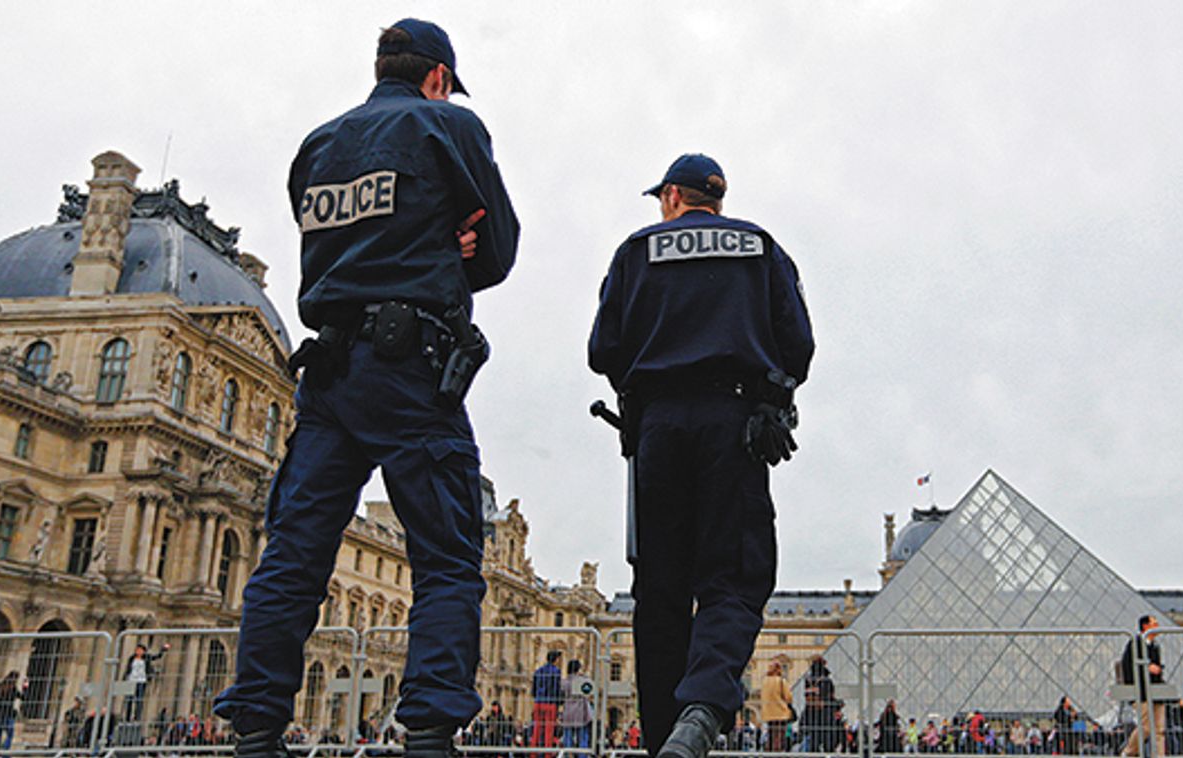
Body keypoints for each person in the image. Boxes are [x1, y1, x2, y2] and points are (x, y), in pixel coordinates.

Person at [212, 17, 518, 758]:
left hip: (328, 371)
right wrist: (448, 248)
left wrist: (417, 242)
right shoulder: (449, 125)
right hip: (413, 370)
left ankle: (254, 727)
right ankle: (430, 730)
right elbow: (498, 252)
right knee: (447, 557)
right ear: (438, 77)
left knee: (292, 553)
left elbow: (333, 248)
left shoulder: (318, 144)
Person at [589, 153, 814, 758]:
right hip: (734, 422)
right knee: (733, 578)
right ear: (717, 199)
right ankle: (704, 708)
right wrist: (769, 393)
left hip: (658, 427)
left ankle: (665, 738)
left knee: (659, 588)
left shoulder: (637, 250)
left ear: (670, 197)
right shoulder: (760, 247)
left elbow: (603, 348)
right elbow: (798, 345)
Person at [1118, 615, 1167, 757]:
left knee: (1159, 730)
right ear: (1145, 626)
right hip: (1141, 693)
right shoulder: (1135, 643)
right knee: (1146, 727)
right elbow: (1128, 667)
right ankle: (1129, 751)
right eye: (1155, 623)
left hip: (1156, 692)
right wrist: (1146, 668)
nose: (1158, 626)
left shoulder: (1155, 646)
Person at [122, 642, 170, 722]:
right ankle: (127, 717)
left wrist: (163, 650)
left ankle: (137, 717)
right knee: (129, 700)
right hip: (131, 680)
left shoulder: (146, 658)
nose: (138, 651)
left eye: (140, 650)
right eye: (137, 650)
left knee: (139, 700)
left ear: (143, 651)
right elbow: (128, 669)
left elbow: (157, 657)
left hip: (141, 681)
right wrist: (124, 678)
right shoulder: (131, 658)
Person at [560, 659, 595, 757]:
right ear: (578, 669)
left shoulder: (564, 682)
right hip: (580, 712)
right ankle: (582, 756)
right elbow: (589, 690)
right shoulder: (582, 680)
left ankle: (567, 755)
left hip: (568, 711)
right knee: (583, 736)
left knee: (567, 736)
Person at [531, 651, 562, 758]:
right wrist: (558, 702)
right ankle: (547, 754)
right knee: (549, 730)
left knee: (537, 729)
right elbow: (556, 688)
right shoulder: (556, 671)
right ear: (555, 659)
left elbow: (533, 689)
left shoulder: (538, 671)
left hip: (538, 702)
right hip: (550, 702)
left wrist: (536, 697)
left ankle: (533, 753)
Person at [760, 661, 793, 752]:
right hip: (780, 713)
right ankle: (777, 752)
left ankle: (769, 753)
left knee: (771, 735)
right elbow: (788, 697)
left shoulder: (764, 681)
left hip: (768, 713)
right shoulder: (781, 681)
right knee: (779, 736)